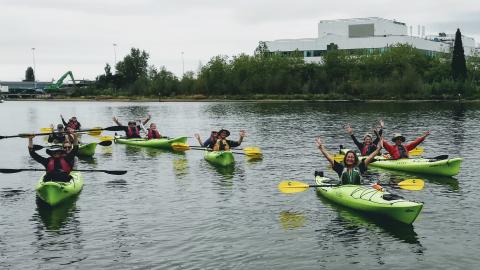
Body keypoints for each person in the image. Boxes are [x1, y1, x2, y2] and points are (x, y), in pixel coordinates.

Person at [315, 136, 383, 185]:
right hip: (344, 191)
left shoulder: (360, 167)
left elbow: (370, 157)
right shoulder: (340, 168)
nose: (350, 159)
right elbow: (330, 158)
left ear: (355, 159)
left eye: (352, 157)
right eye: (348, 157)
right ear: (345, 158)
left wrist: (379, 149)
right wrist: (321, 148)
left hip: (357, 190)